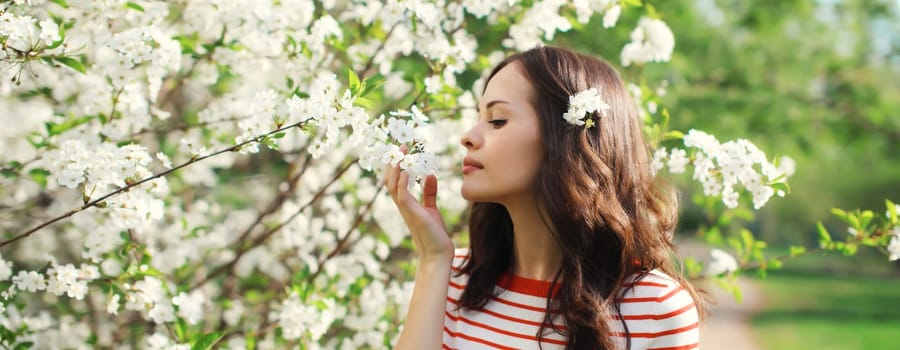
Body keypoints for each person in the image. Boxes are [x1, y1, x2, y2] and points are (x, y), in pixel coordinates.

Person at [382, 46, 704, 350]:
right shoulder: (455, 280)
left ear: (567, 139)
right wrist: (434, 261)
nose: (469, 136)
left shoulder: (655, 308)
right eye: (478, 117)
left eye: (497, 121)